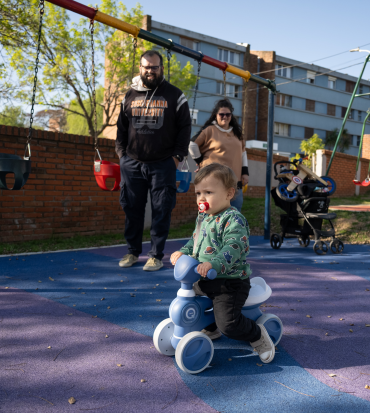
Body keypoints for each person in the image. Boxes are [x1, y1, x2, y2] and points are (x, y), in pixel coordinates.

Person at [169, 163, 275, 363]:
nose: (201, 198)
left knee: (229, 324)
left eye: (208, 192)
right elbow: (195, 241)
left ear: (229, 193)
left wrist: (214, 263)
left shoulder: (233, 219)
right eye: (198, 193)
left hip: (230, 282)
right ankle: (210, 327)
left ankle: (257, 335)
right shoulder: (203, 217)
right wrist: (182, 252)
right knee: (191, 298)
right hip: (205, 277)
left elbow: (233, 247)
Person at [116, 50, 191, 271]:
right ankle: (132, 252)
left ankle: (156, 255)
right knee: (132, 208)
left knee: (161, 209)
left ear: (161, 69)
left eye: (154, 67)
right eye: (146, 67)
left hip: (163, 163)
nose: (150, 71)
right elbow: (121, 128)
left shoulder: (175, 96)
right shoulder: (129, 95)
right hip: (132, 163)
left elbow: (185, 128)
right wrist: (121, 155)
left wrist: (177, 157)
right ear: (140, 68)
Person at [188, 99, 249, 211]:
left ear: (231, 116)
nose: (224, 117)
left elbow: (243, 153)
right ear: (216, 115)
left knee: (234, 214)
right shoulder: (209, 130)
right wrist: (200, 162)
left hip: (234, 182)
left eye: (227, 114)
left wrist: (245, 172)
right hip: (212, 181)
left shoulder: (237, 134)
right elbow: (192, 145)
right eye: (221, 114)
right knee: (212, 213)